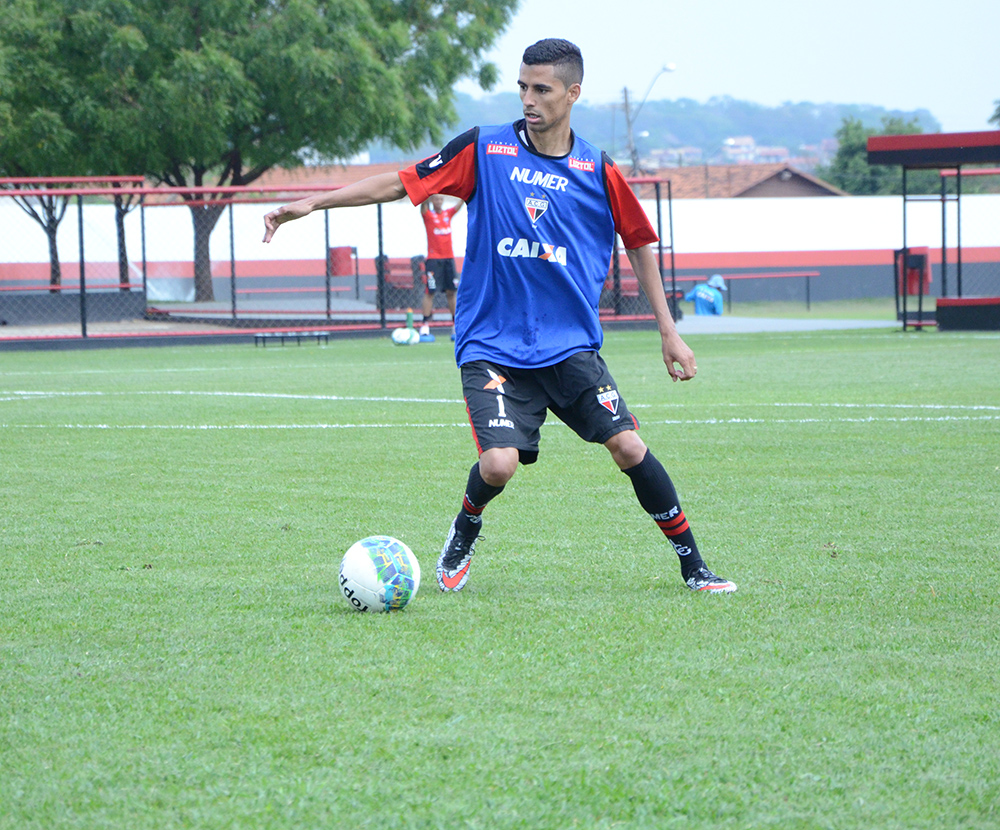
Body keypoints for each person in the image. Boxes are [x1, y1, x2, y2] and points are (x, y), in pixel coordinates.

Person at [263, 38, 736, 595]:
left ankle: (694, 566)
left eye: (542, 89)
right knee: (498, 467)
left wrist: (668, 330)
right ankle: (465, 529)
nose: (528, 99)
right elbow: (401, 182)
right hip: (492, 345)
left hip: (569, 345)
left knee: (629, 446)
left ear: (573, 93)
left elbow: (638, 242)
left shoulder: (597, 169)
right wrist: (312, 204)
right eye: (522, 87)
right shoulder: (484, 149)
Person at [418, 194, 463, 341]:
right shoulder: (428, 215)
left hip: (448, 259)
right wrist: (426, 190)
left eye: (440, 199)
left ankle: (456, 326)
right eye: (436, 199)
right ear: (432, 200)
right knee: (430, 291)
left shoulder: (447, 214)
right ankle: (425, 325)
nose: (438, 201)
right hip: (433, 260)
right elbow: (422, 206)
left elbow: (459, 205)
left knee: (451, 292)